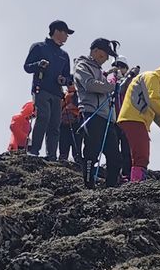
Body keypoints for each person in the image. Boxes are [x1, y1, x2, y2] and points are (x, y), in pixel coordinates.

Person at [116, 60, 160, 182]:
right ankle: (136, 183)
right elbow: (154, 101)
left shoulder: (154, 86)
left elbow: (157, 115)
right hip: (134, 118)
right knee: (141, 154)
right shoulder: (151, 77)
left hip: (134, 119)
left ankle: (134, 180)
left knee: (137, 153)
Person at [22, 19, 75, 160]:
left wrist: (64, 80)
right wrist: (39, 64)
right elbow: (27, 67)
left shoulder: (64, 55)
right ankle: (34, 151)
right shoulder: (39, 47)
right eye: (65, 33)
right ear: (57, 31)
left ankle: (51, 155)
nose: (67, 36)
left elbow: (67, 77)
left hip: (57, 93)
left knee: (55, 123)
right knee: (43, 117)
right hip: (41, 89)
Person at [73, 37, 121, 184]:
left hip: (106, 117)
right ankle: (88, 184)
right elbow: (90, 84)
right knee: (92, 151)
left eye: (107, 56)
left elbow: (100, 85)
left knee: (115, 156)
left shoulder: (101, 71)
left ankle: (111, 187)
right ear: (94, 51)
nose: (106, 58)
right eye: (103, 54)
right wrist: (111, 86)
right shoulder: (82, 65)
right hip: (91, 113)